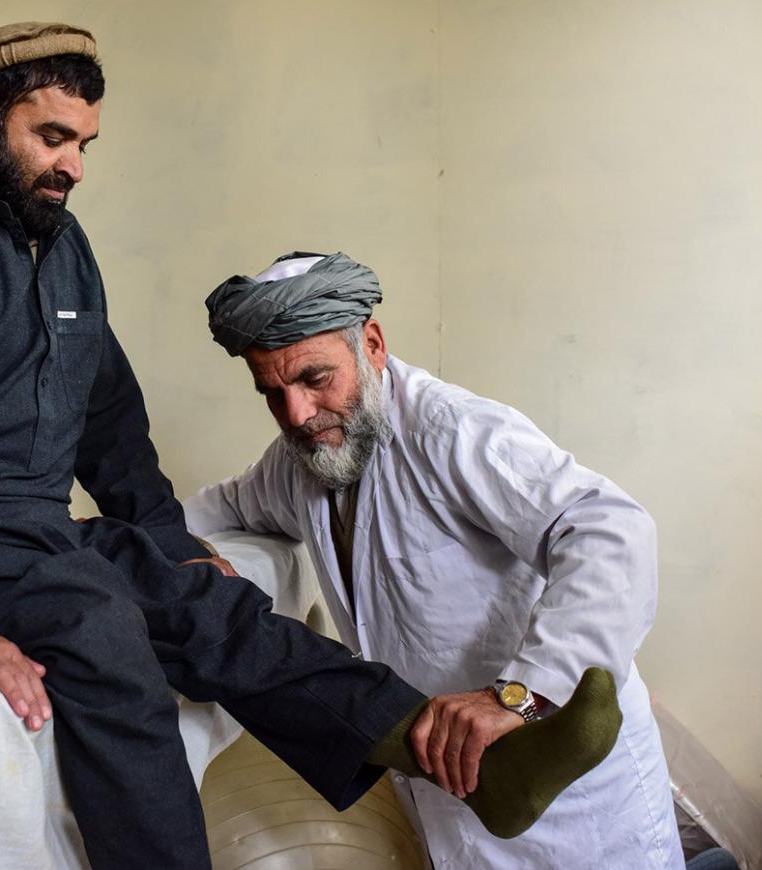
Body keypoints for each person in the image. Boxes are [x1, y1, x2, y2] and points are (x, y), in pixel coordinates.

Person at [0, 25, 621, 869]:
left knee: (203, 603)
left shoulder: (64, 250)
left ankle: (464, 761)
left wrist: (175, 547)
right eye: (52, 137)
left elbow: (110, 425)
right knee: (97, 626)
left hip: (17, 537)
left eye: (84, 144)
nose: (73, 166)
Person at [188, 250, 686, 869]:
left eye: (315, 379)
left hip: (572, 808)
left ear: (371, 344)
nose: (296, 413)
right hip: (451, 794)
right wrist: (97, 536)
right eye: (272, 393)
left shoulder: (452, 431)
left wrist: (520, 694)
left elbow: (611, 530)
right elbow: (217, 509)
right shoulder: (300, 460)